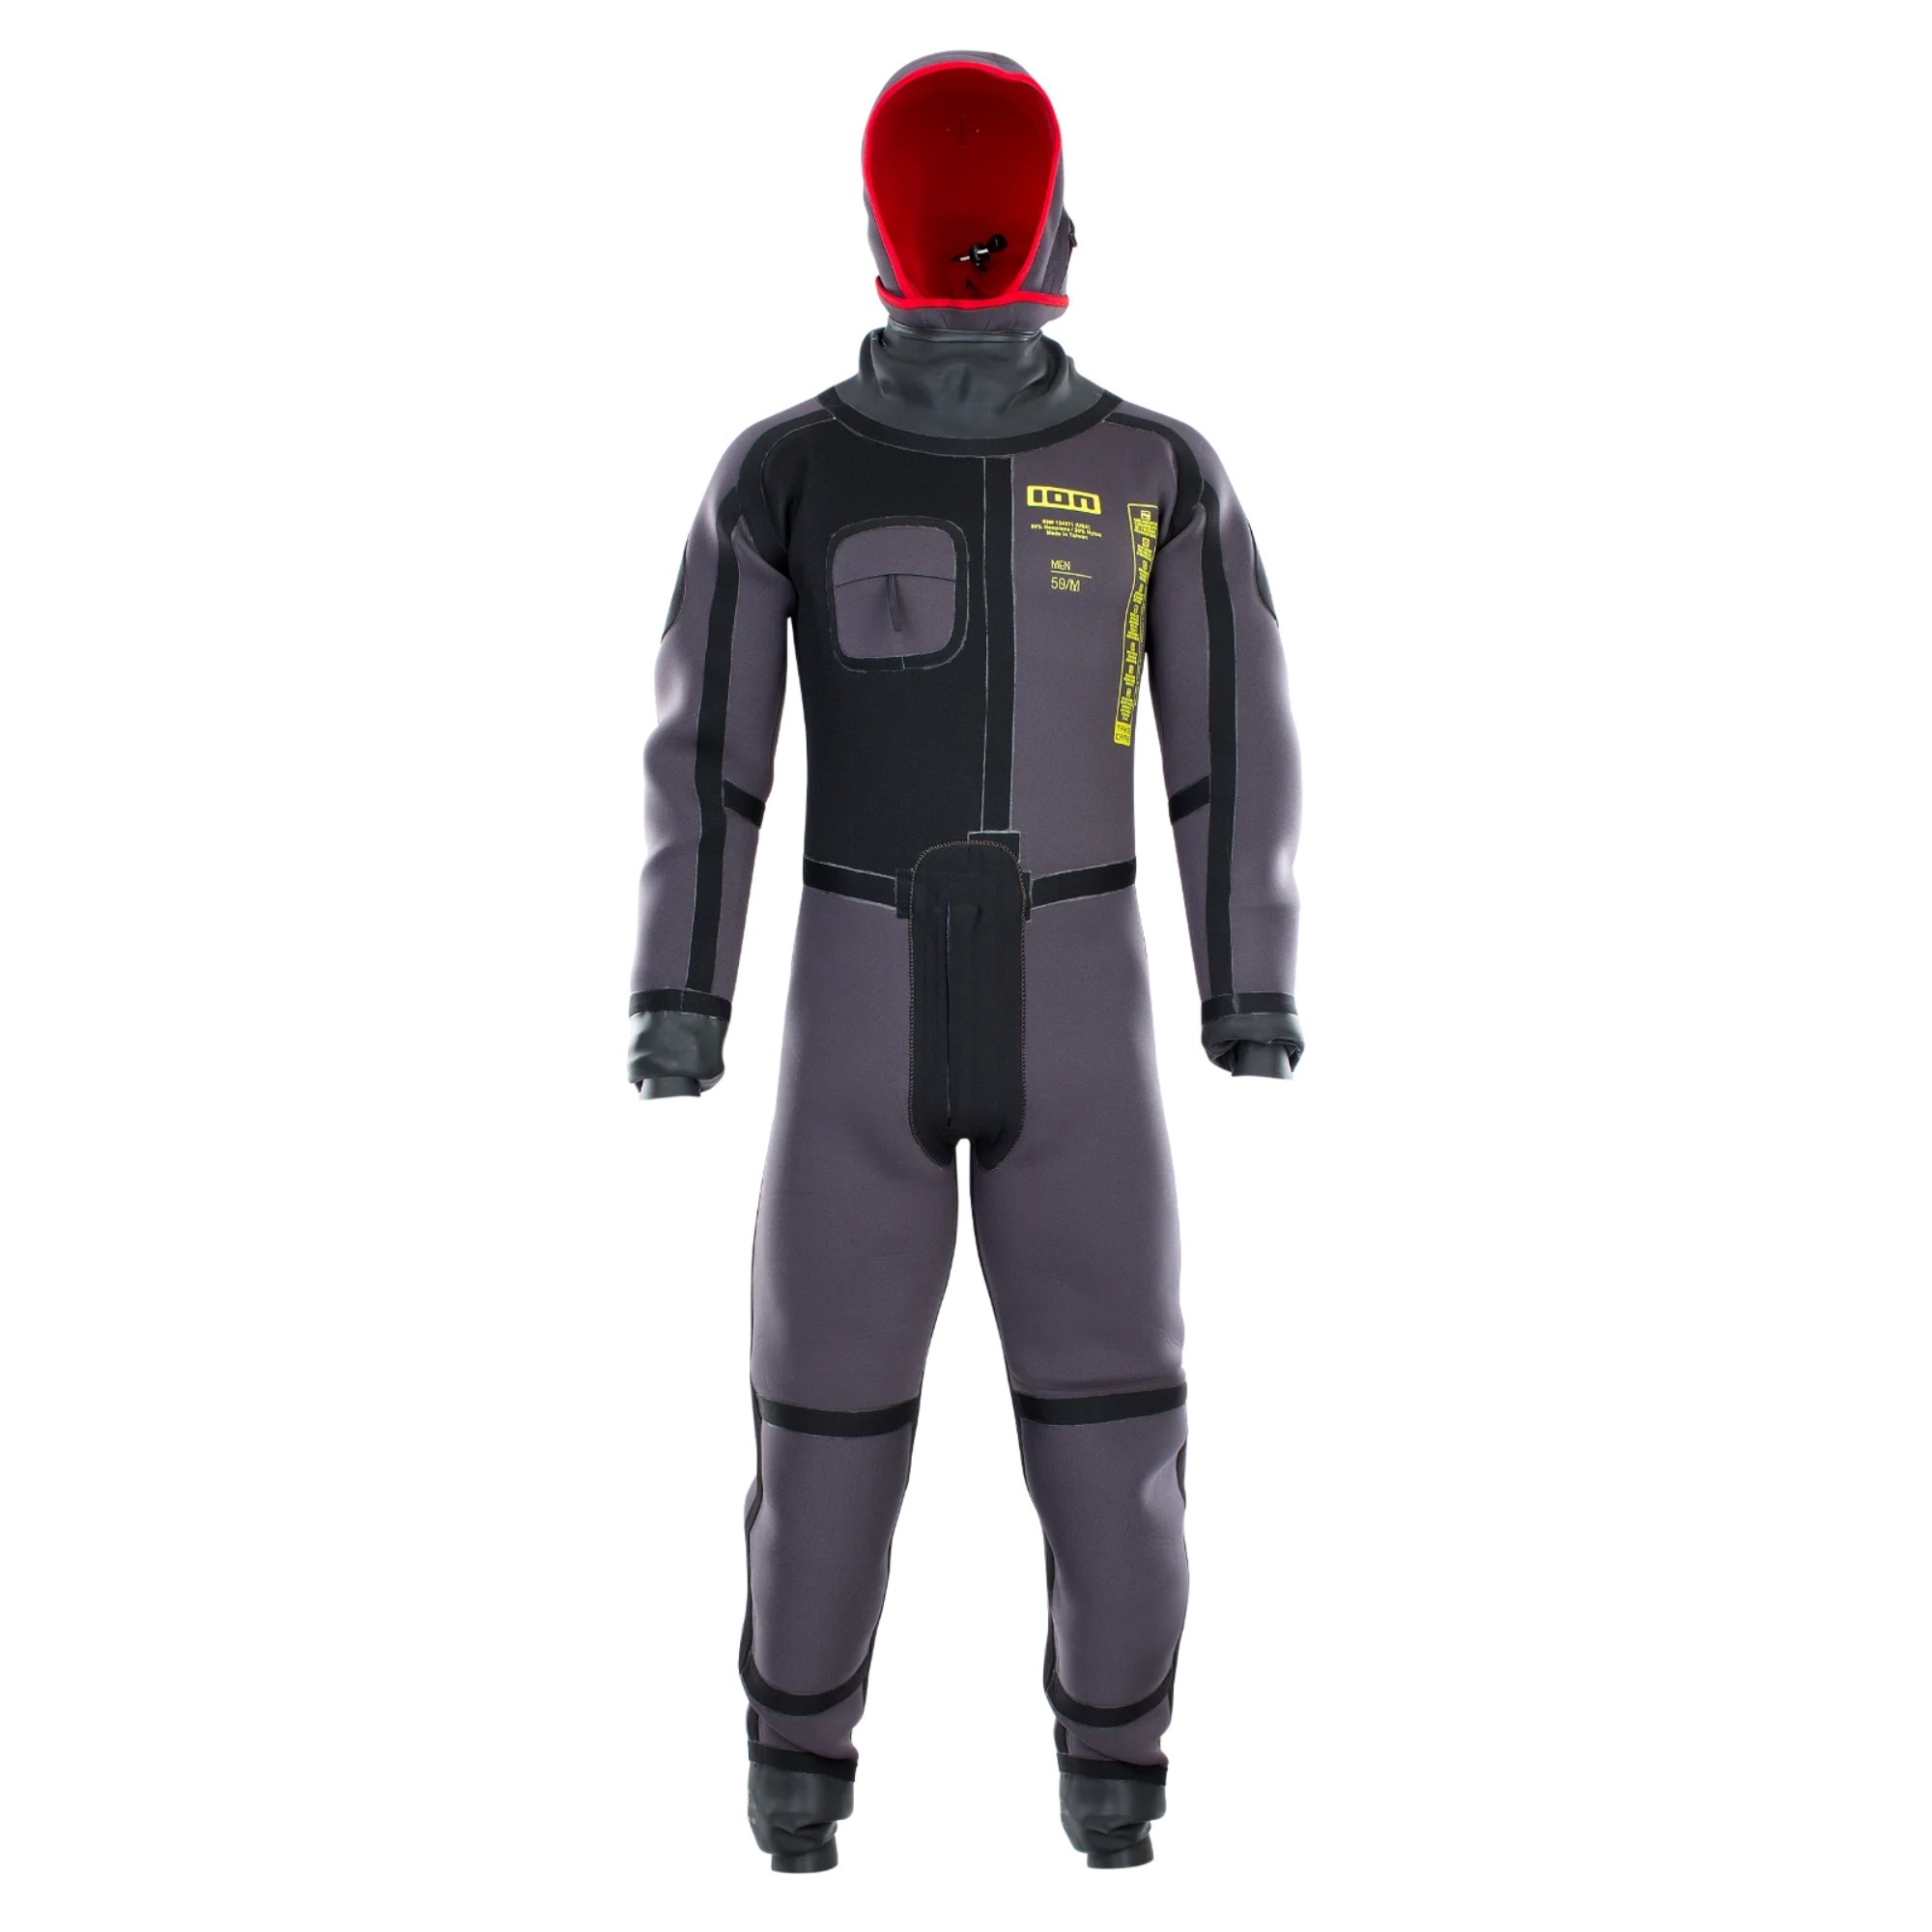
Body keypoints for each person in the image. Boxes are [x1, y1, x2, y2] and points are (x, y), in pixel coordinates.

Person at [629, 50, 1303, 1870]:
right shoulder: (1111, 470)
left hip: (893, 1008)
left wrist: (684, 997)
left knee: (879, 1415)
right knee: (1068, 1409)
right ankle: (1065, 1785)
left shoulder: (845, 472)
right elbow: (1229, 744)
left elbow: (707, 756)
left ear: (875, 239)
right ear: (1063, 233)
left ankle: (838, 1784)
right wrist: (1243, 986)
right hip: (1036, 1011)